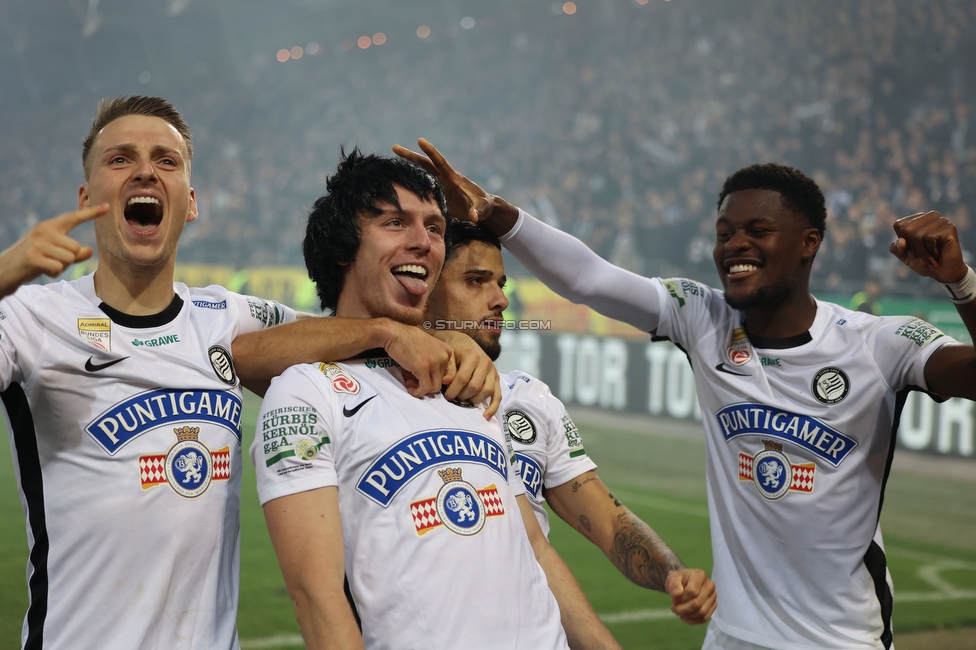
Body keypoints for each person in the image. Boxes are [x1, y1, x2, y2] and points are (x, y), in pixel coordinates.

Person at [393, 140, 976, 650]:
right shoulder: (704, 318)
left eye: (757, 231)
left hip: (841, 640)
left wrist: (962, 284)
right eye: (724, 234)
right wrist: (497, 214)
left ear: (809, 242)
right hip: (732, 637)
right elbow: (589, 279)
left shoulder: (879, 344)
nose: (734, 245)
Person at [0, 97, 498, 650]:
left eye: (166, 161)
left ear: (190, 203)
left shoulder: (223, 317)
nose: (145, 170)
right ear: (86, 197)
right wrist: (3, 272)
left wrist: (444, 335)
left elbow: (343, 328)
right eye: (120, 159)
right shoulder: (30, 319)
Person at [249, 149, 621, 650]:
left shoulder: (468, 379)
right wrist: (383, 333)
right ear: (344, 249)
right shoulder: (306, 391)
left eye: (435, 228)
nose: (423, 242)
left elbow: (532, 547)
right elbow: (317, 599)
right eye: (395, 222)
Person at [424, 219, 716, 625]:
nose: (501, 300)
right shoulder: (368, 388)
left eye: (501, 284)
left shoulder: (530, 400)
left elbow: (608, 521)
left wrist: (673, 573)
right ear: (423, 288)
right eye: (476, 281)